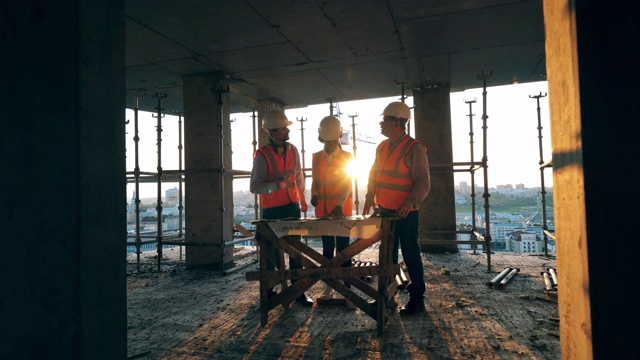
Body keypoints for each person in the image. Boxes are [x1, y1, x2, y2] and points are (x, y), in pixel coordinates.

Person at [362, 101, 431, 315]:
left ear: (398, 123)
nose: (381, 124)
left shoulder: (414, 148)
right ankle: (387, 297)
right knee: (387, 256)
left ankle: (417, 299)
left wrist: (410, 203)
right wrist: (369, 197)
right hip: (385, 211)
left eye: (385, 120)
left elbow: (423, 182)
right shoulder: (381, 147)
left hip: (405, 213)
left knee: (410, 254)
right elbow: (373, 174)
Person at [250, 109, 313, 306]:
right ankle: (269, 292)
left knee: (296, 250)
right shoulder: (262, 156)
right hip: (272, 211)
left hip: (292, 208)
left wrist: (302, 199)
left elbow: (299, 177)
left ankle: (297, 290)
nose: (287, 131)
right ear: (272, 132)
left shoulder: (293, 150)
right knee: (269, 253)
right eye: (284, 128)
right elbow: (254, 186)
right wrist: (276, 184)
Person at [310, 116, 355, 309]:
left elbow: (347, 182)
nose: (330, 145)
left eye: (333, 141)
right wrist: (314, 194)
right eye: (328, 141)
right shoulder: (316, 157)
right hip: (323, 211)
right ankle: (329, 287)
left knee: (344, 250)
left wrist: (339, 204)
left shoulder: (346, 157)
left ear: (339, 138)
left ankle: (348, 290)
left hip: (341, 210)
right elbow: (316, 180)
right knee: (327, 250)